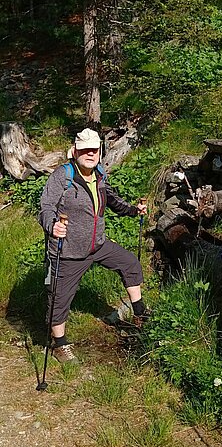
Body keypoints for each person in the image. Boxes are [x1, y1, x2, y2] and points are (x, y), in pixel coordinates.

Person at [39, 128, 148, 363]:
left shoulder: (99, 174)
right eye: (86, 149)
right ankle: (59, 344)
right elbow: (46, 206)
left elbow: (111, 199)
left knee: (130, 264)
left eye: (95, 149)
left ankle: (140, 314)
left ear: (100, 151)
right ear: (76, 150)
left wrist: (131, 210)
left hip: (97, 245)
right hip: (67, 251)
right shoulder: (63, 176)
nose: (90, 153)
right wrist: (52, 226)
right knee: (59, 299)